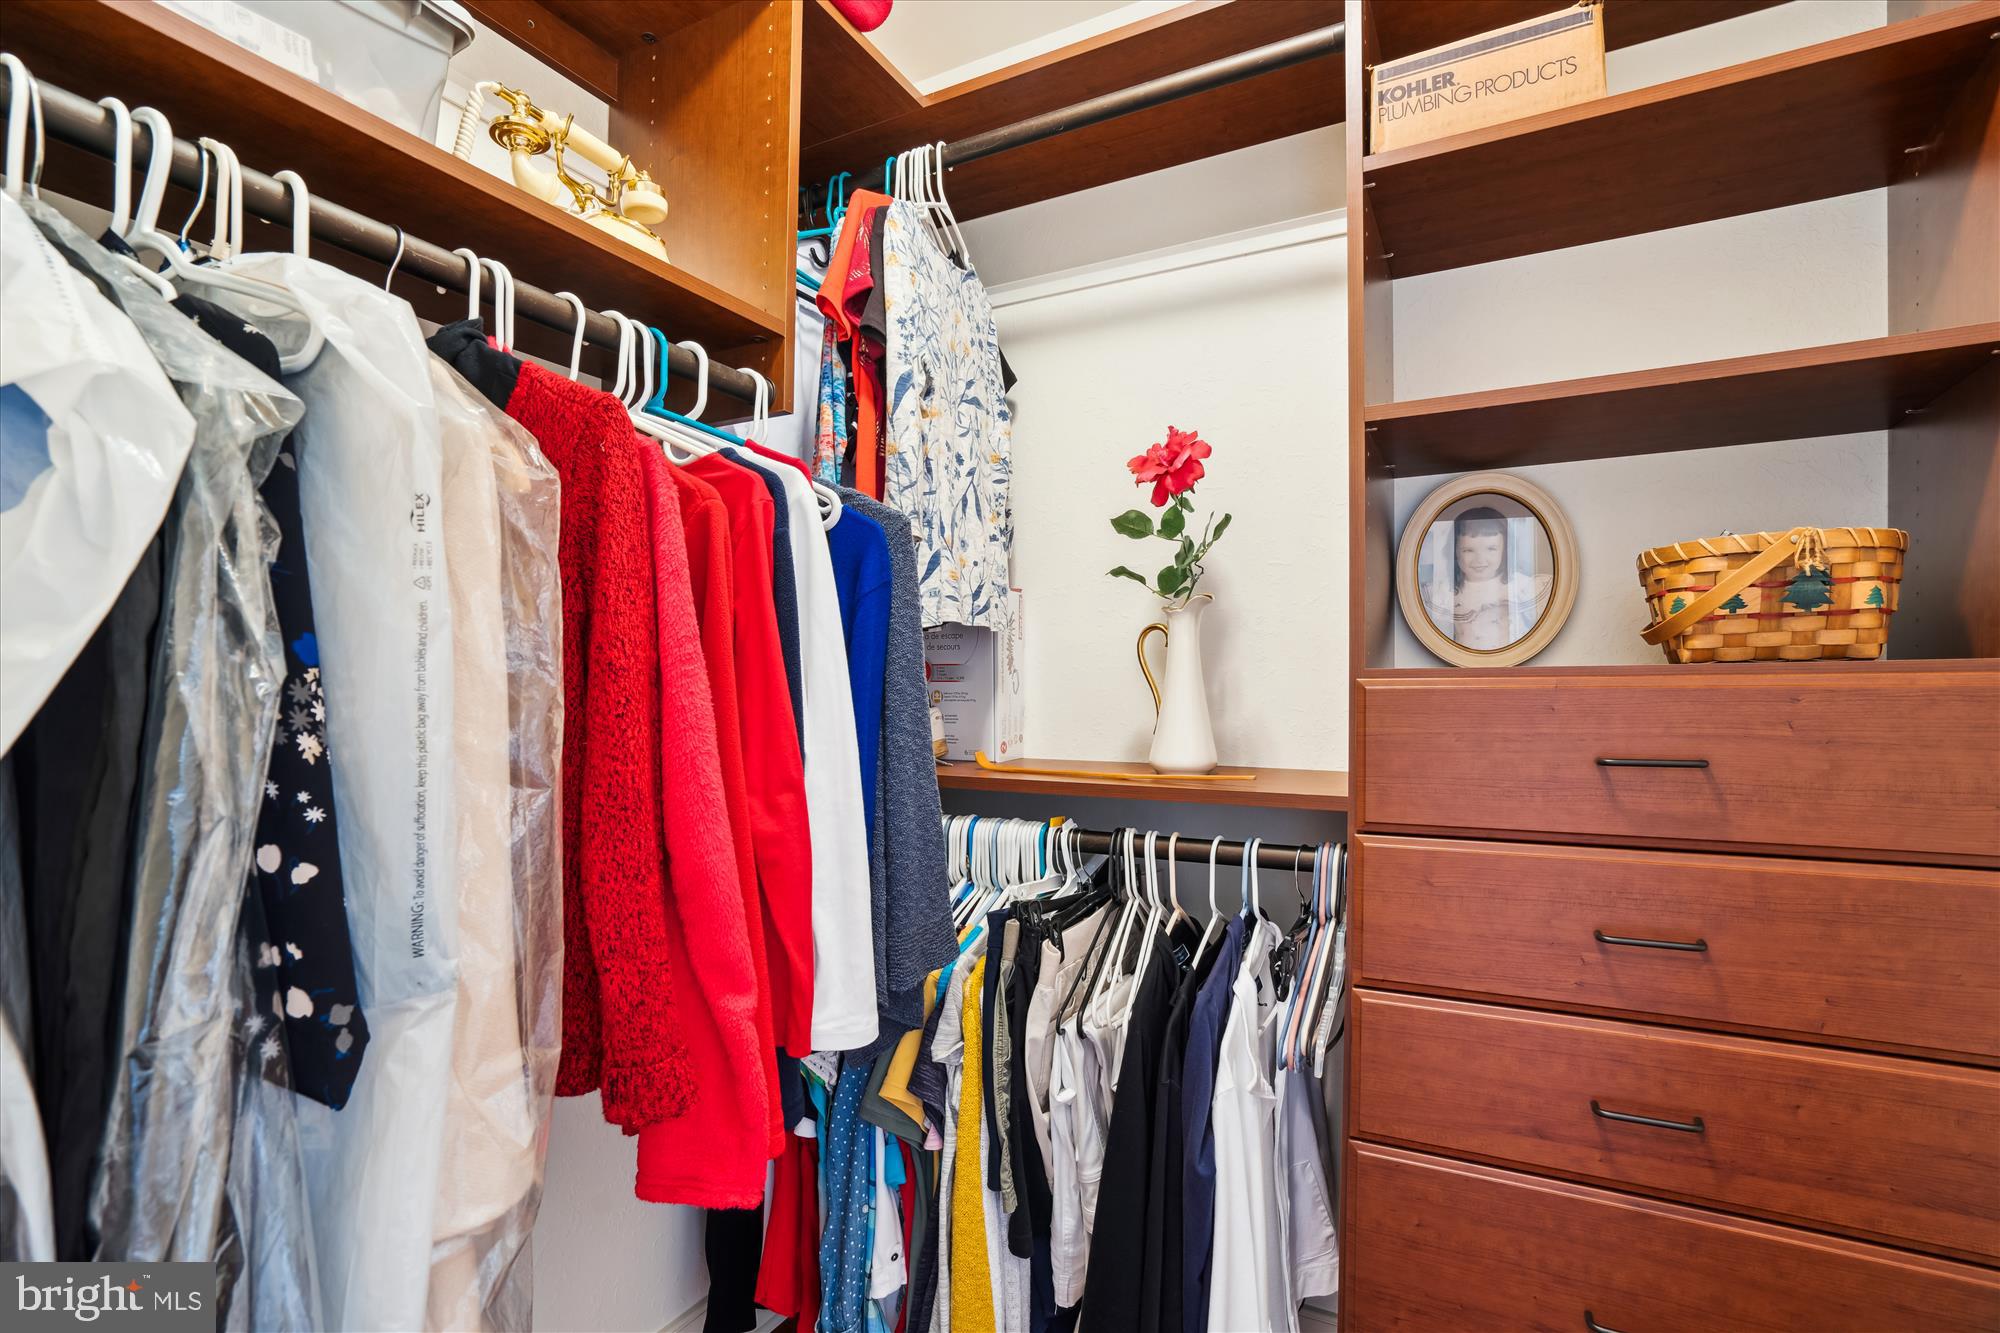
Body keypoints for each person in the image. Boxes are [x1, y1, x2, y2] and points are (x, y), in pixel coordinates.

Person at [1424, 506, 1551, 650]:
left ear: (1505, 550)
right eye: (1468, 550)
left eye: (1491, 549)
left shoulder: (1523, 587)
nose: (1480, 560)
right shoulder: (1445, 592)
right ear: (1455, 552)